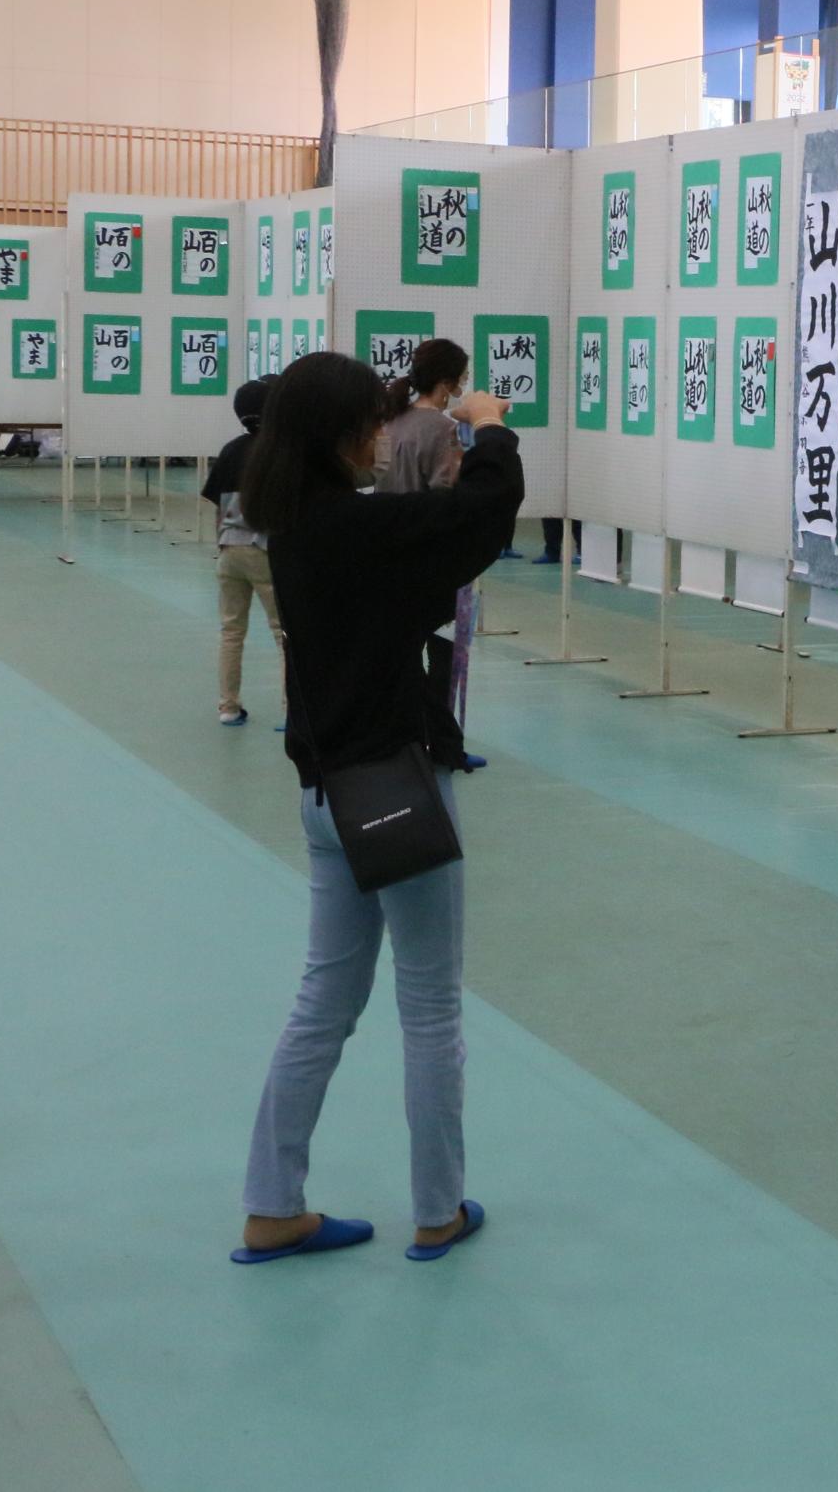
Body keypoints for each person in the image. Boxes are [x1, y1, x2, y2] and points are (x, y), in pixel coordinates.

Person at [231, 352, 521, 1267]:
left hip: (327, 795)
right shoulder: (356, 530)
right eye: (369, 423)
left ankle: (272, 1205)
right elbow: (479, 513)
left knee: (323, 1000)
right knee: (430, 1003)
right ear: (336, 435)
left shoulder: (296, 529)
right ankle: (437, 1209)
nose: (380, 437)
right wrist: (490, 427)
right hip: (395, 788)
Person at [377, 340, 487, 773]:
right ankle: (443, 744)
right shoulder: (442, 430)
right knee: (442, 656)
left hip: (390, 551)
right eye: (461, 377)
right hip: (433, 556)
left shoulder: (392, 423)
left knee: (401, 652)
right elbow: (446, 494)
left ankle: (409, 736)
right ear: (447, 383)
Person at [201, 378, 283, 727]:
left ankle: (228, 707)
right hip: (264, 550)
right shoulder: (279, 451)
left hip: (229, 550)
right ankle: (295, 712)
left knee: (232, 632)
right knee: (285, 635)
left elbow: (217, 504)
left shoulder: (231, 449)